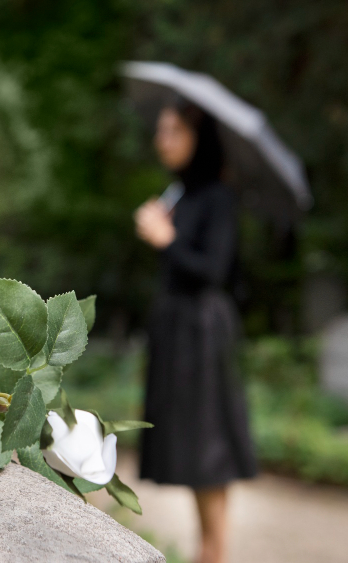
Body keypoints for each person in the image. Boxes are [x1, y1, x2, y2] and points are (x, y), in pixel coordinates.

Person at [134, 98, 258, 563]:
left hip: (201, 330)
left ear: (198, 139)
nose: (161, 140)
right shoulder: (180, 194)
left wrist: (166, 239)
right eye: (161, 130)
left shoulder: (217, 196)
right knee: (189, 442)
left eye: (173, 132)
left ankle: (214, 551)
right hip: (176, 326)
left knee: (207, 445)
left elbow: (213, 270)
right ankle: (208, 548)